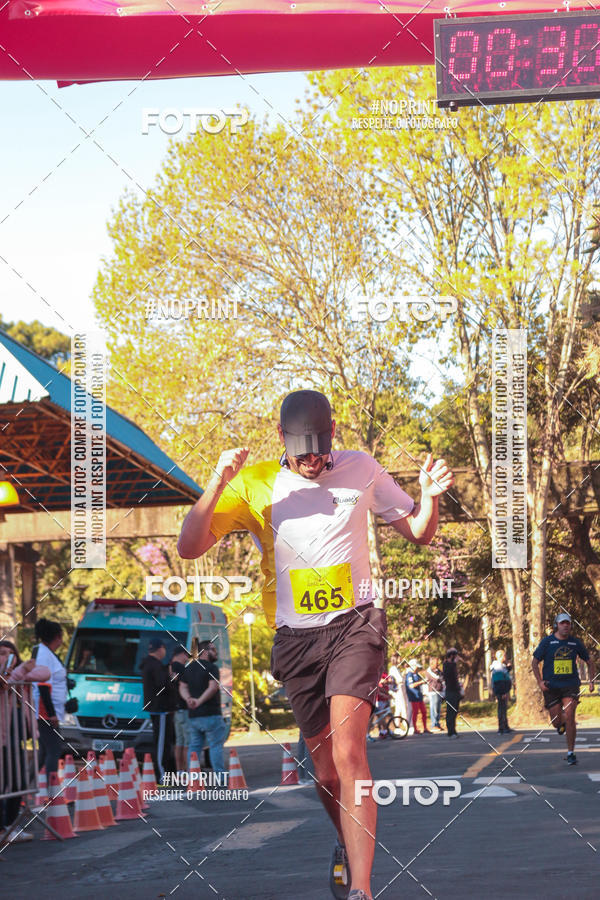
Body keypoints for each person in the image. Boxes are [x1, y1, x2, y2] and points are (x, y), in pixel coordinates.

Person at [177, 388, 453, 900]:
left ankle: (363, 891)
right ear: (281, 438)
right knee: (325, 774)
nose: (312, 460)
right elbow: (189, 547)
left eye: (320, 449)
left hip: (356, 626)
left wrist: (431, 498)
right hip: (295, 640)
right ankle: (349, 843)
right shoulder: (258, 483)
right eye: (301, 451)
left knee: (351, 756)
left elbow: (418, 533)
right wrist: (218, 479)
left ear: (333, 437)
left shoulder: (360, 467)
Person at [0, 640, 50, 842]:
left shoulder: (18, 674)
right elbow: (4, 683)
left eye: (11, 654)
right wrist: (18, 671)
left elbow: (44, 672)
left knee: (18, 782)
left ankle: (10, 826)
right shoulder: (13, 675)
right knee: (3, 782)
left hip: (17, 733)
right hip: (3, 736)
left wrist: (19, 671)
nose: (6, 657)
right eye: (2, 653)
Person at [532, 612, 596, 766]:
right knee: (556, 721)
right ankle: (561, 724)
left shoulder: (575, 643)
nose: (565, 626)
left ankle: (571, 752)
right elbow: (534, 662)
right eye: (562, 623)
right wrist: (540, 682)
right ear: (557, 625)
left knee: (570, 714)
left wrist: (591, 681)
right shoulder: (547, 642)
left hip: (570, 685)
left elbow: (590, 661)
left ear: (570, 625)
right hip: (551, 686)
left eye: (568, 623)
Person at [178, 640, 227, 776]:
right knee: (215, 745)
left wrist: (189, 699)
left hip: (194, 715)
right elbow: (212, 688)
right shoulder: (212, 668)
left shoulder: (189, 668)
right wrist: (199, 701)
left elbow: (182, 687)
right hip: (211, 713)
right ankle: (220, 776)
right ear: (204, 651)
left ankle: (192, 776)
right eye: (213, 650)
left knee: (194, 746)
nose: (215, 653)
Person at [31, 618, 69, 778]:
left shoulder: (47, 653)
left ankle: (27, 786)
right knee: (54, 750)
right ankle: (51, 790)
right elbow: (43, 688)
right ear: (58, 636)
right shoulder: (44, 655)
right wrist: (51, 713)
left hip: (48, 710)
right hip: (45, 712)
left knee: (45, 752)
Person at [140, 637, 176, 782]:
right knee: (161, 743)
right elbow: (163, 684)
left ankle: (166, 772)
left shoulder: (148, 664)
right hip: (160, 708)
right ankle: (161, 774)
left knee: (164, 741)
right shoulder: (155, 665)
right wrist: (172, 678)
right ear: (160, 649)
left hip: (156, 707)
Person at [170, 646, 191, 775]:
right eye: (187, 656)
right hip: (183, 708)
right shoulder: (181, 669)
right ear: (182, 654)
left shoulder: (169, 666)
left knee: (179, 740)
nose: (187, 659)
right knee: (188, 740)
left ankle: (179, 770)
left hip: (176, 709)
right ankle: (189, 769)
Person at [490, 650, 512, 734]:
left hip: (504, 689)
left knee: (504, 708)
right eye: (504, 656)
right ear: (500, 656)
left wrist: (508, 667)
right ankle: (501, 727)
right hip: (501, 690)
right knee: (501, 708)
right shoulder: (497, 666)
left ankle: (505, 725)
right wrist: (503, 692)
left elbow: (505, 675)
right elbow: (499, 680)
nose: (505, 657)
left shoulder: (502, 666)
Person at [388, 653, 411, 732]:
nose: (400, 660)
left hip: (400, 689)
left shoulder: (396, 668)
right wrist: (403, 675)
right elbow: (399, 680)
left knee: (400, 708)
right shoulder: (393, 669)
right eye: (399, 658)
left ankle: (398, 726)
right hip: (398, 690)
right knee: (401, 708)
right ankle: (402, 726)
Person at [405, 660, 429, 733]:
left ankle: (425, 728)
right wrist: (421, 682)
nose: (417, 668)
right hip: (413, 696)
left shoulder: (417, 674)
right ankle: (415, 729)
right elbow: (411, 685)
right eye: (416, 667)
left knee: (424, 712)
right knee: (415, 712)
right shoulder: (409, 674)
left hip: (419, 696)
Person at [443, 648, 461, 738]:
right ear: (451, 655)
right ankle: (450, 731)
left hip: (455, 691)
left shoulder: (453, 665)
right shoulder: (447, 665)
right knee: (450, 711)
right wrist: (453, 663)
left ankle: (453, 730)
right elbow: (448, 676)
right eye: (455, 655)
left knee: (455, 711)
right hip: (450, 691)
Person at [424, 657, 444, 731]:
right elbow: (437, 678)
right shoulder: (429, 670)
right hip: (433, 691)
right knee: (434, 709)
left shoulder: (438, 670)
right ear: (431, 663)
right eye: (436, 662)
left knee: (438, 709)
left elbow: (443, 677)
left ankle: (437, 724)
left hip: (439, 691)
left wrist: (441, 677)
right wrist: (440, 678)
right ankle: (433, 725)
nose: (438, 664)